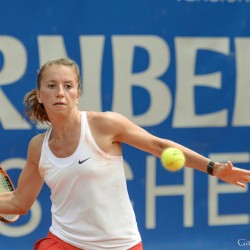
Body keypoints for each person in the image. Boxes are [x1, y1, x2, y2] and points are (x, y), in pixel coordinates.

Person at [0, 58, 250, 250]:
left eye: (68, 86)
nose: (60, 92)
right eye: (51, 86)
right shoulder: (37, 147)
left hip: (120, 244)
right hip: (64, 242)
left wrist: (213, 168)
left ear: (78, 94)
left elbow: (160, 146)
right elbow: (19, 203)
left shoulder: (104, 125)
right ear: (40, 95)